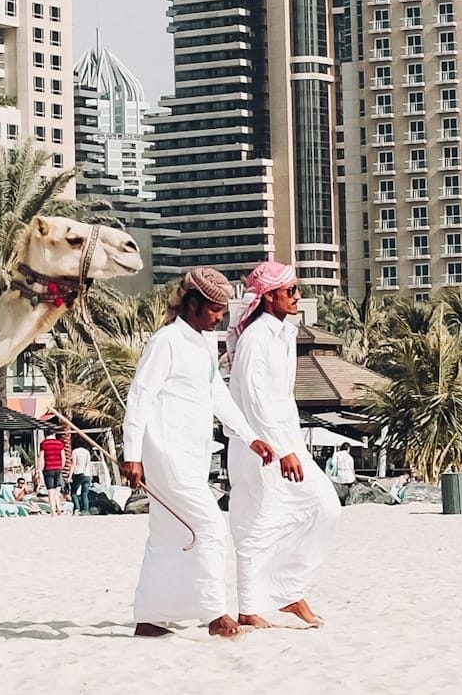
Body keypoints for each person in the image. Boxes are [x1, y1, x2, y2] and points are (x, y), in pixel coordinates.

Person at [121, 266, 275, 639]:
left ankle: (150, 617)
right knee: (209, 527)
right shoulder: (166, 341)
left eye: (222, 311)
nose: (219, 317)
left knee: (165, 534)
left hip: (193, 454)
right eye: (213, 310)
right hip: (165, 454)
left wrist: (249, 436)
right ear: (191, 304)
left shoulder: (204, 344)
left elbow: (216, 395)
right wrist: (131, 453)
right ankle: (216, 615)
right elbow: (139, 396)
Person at [227, 260, 340, 630]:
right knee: (255, 523)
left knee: (324, 507)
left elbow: (279, 399)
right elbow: (255, 401)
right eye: (290, 290)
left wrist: (290, 445)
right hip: (258, 447)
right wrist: (281, 449)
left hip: (287, 442)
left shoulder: (283, 334)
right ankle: (248, 608)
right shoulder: (256, 338)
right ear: (269, 296)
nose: (297, 296)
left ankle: (288, 591)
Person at [39, 428, 67, 514]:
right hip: (57, 468)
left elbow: (41, 458)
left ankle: (53, 511)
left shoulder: (44, 444)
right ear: (54, 434)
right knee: (56, 490)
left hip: (48, 469)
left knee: (50, 490)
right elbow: (63, 458)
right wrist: (60, 468)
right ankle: (59, 509)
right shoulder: (59, 444)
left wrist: (40, 470)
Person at [69, 439, 94, 514]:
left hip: (78, 473)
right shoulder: (87, 452)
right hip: (87, 474)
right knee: (85, 493)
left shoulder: (75, 451)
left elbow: (73, 464)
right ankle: (86, 510)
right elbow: (88, 464)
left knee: (73, 492)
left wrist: (70, 476)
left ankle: (77, 508)